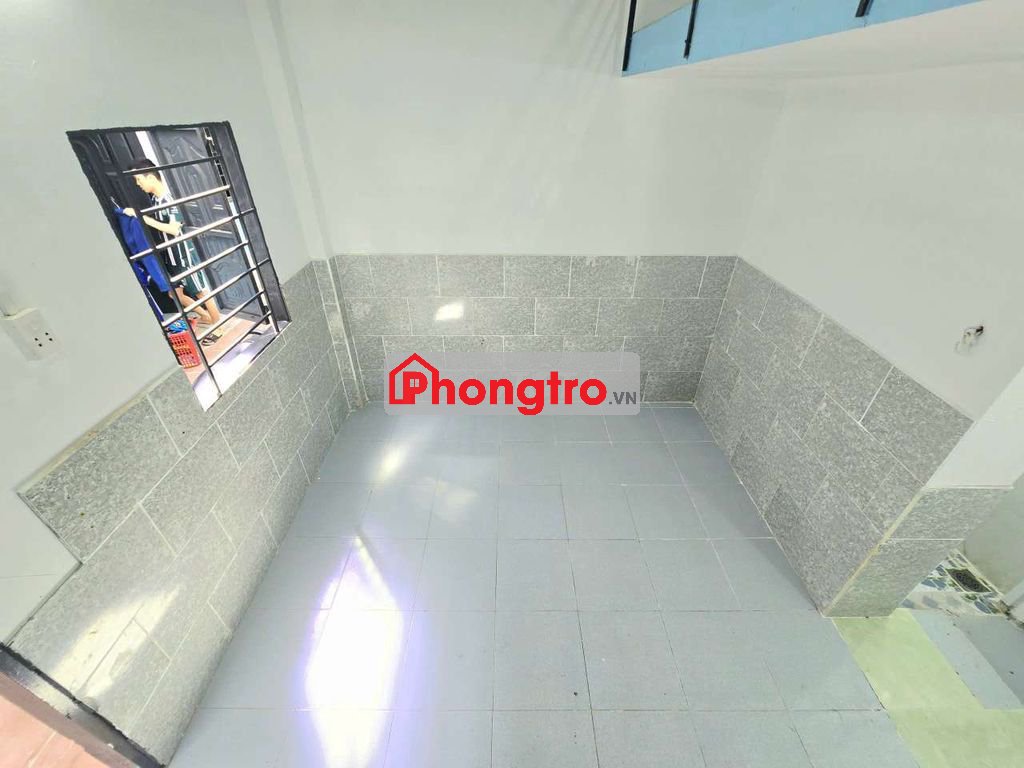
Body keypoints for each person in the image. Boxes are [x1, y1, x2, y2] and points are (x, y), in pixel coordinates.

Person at [125, 158, 223, 341]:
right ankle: (206, 317)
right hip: (170, 256)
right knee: (174, 294)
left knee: (200, 291)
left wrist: (140, 217)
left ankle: (218, 326)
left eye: (139, 179)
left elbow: (173, 229)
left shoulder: (168, 199)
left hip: (183, 254)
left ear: (151, 177)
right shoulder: (156, 199)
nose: (138, 184)